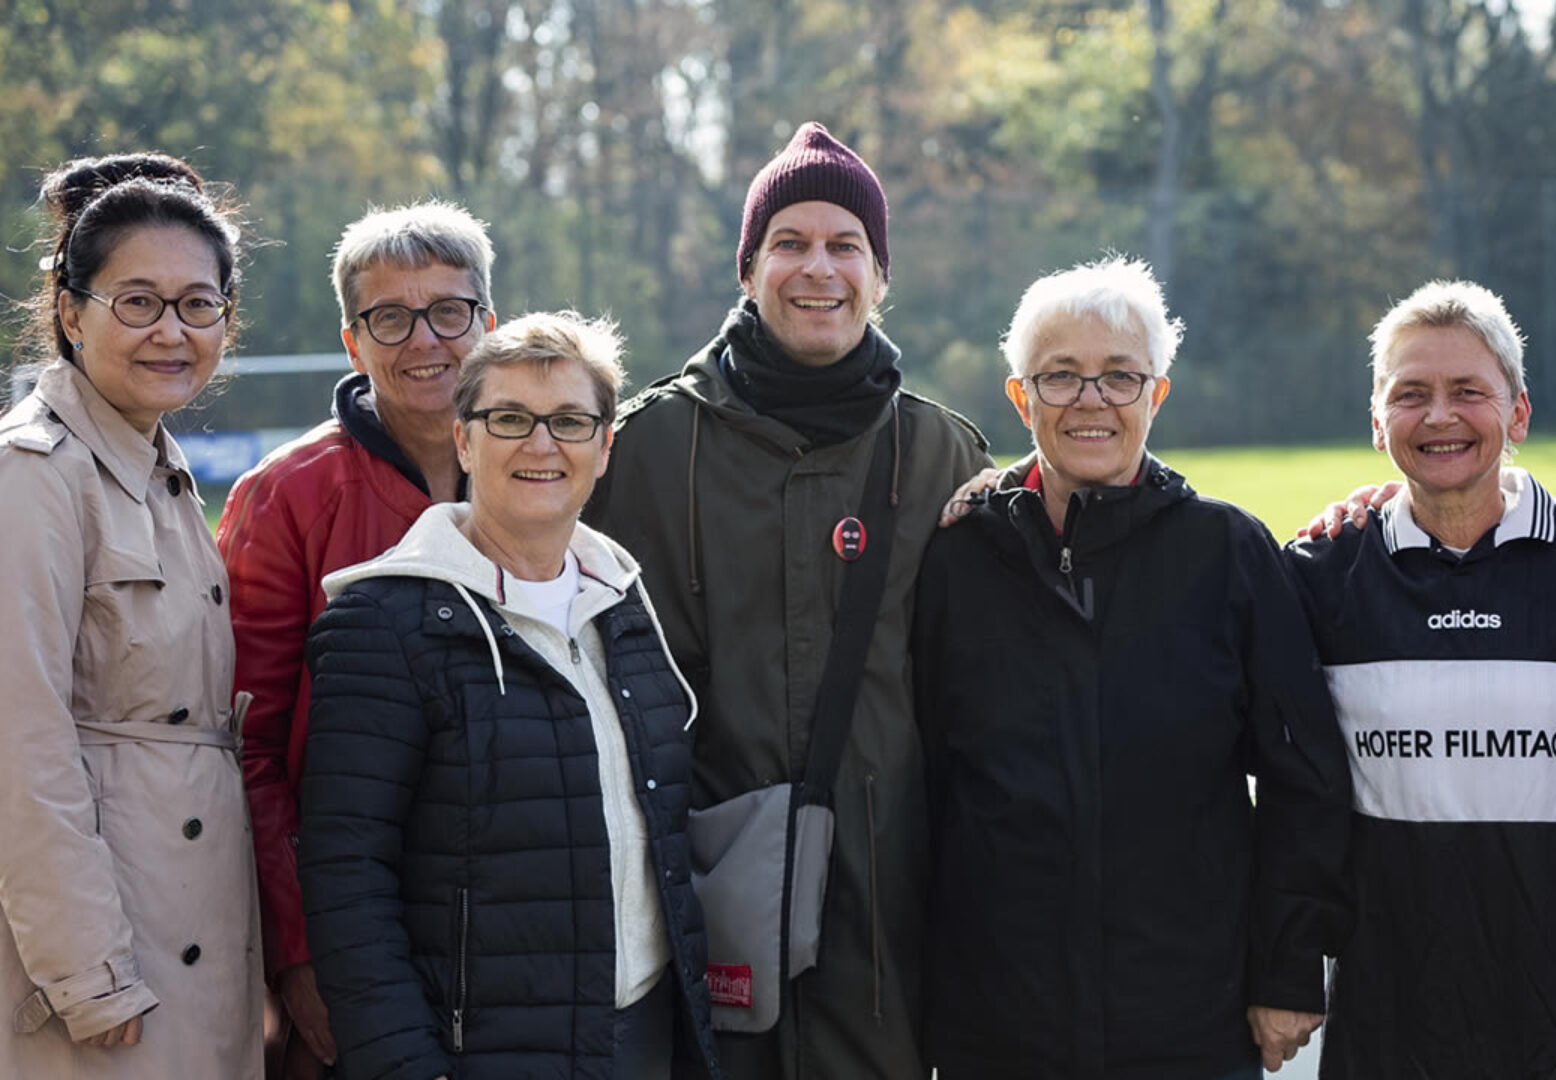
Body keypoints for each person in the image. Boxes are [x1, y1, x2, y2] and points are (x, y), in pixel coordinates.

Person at [583, 121, 992, 1079]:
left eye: (846, 245)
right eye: (791, 244)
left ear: (881, 275)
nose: (820, 269)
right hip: (689, 903)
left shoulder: (945, 455)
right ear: (748, 268)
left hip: (888, 922)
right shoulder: (641, 449)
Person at [911, 256, 1352, 1079]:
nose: (1091, 402)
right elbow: (926, 784)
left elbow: (1305, 780)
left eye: (1120, 377)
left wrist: (1287, 968)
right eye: (1061, 377)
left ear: (1157, 394)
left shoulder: (1228, 552)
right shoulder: (959, 559)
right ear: (1020, 396)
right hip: (997, 1025)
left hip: (1188, 1018)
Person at [297, 311, 722, 1080]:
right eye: (510, 419)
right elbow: (346, 885)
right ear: (464, 439)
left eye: (568, 421)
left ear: (604, 445)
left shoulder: (626, 607)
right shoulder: (383, 624)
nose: (540, 444)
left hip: (642, 1037)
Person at [1286, 280, 1556, 1078]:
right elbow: (1281, 793)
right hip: (1391, 1031)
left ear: (1518, 413)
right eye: (1411, 394)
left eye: (1468, 392)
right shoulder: (1318, 574)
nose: (1440, 416)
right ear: (1378, 422)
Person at [216, 201, 495, 1077]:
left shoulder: (540, 469)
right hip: (357, 934)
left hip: (510, 922)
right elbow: (246, 746)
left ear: (488, 323)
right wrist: (299, 953)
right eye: (390, 317)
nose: (425, 341)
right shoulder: (287, 495)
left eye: (448, 312)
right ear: (352, 341)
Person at [0, 152, 264, 1076]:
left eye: (200, 304)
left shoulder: (157, 471)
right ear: (71, 312)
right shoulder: (31, 474)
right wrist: (88, 973)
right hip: (105, 963)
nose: (172, 331)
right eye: (137, 301)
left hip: (191, 927)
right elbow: (19, 744)